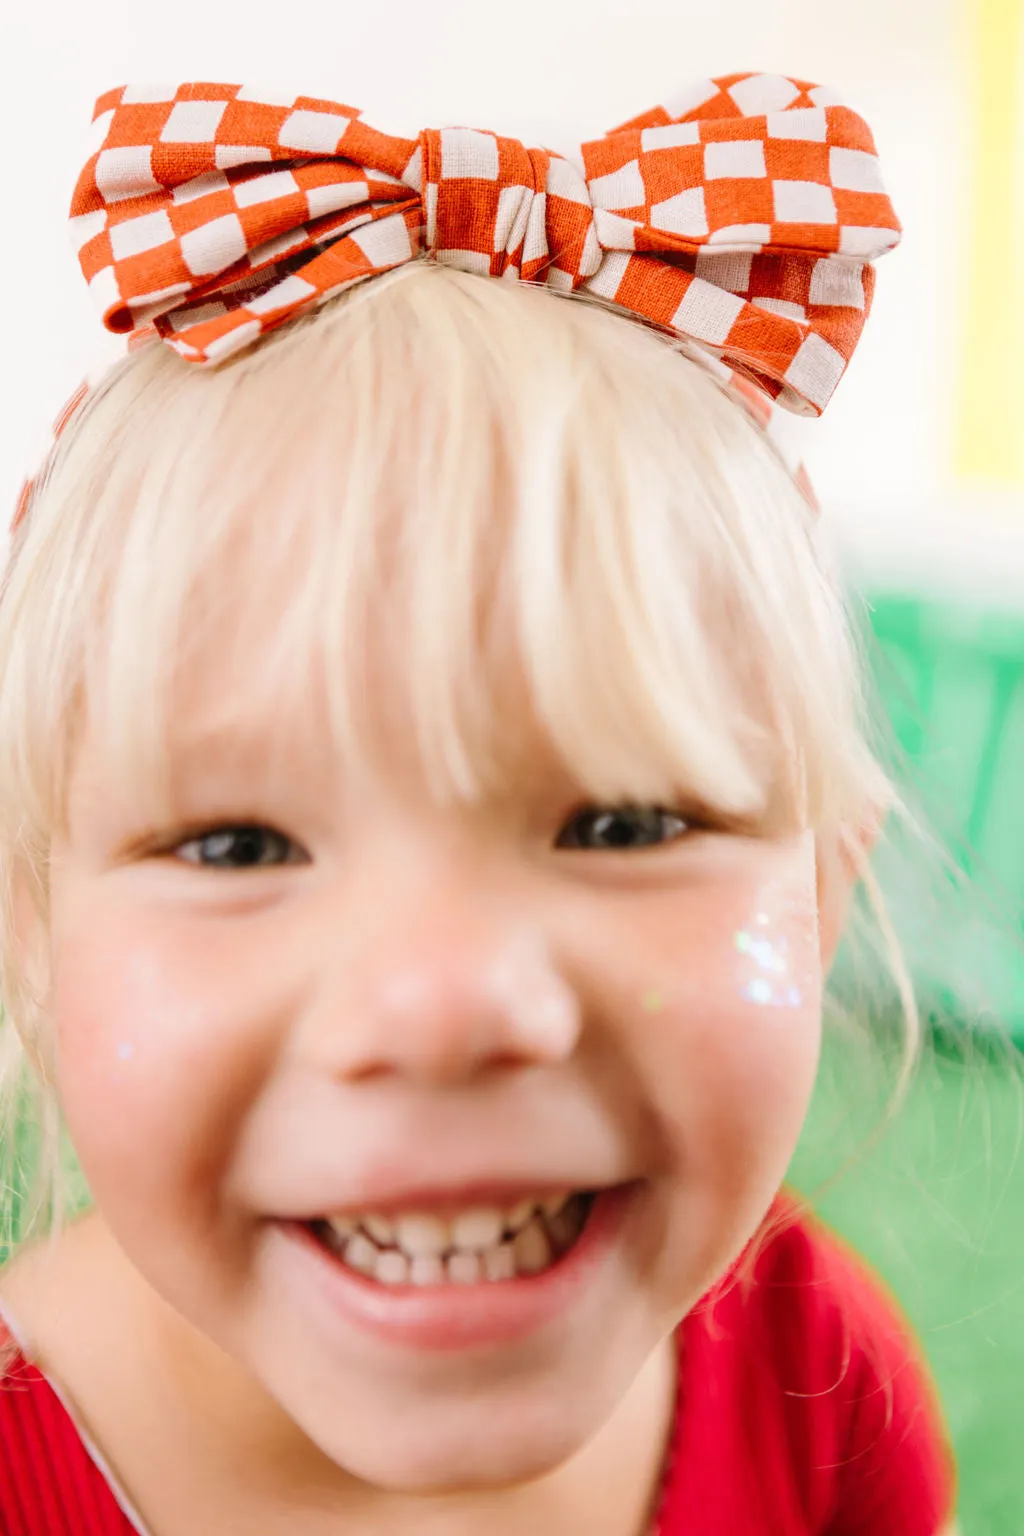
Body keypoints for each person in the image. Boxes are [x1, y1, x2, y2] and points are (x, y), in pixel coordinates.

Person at [0, 72, 956, 1535]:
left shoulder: (819, 1372)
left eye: (625, 824)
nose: (443, 1005)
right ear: (32, 936)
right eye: (237, 844)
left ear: (824, 900)